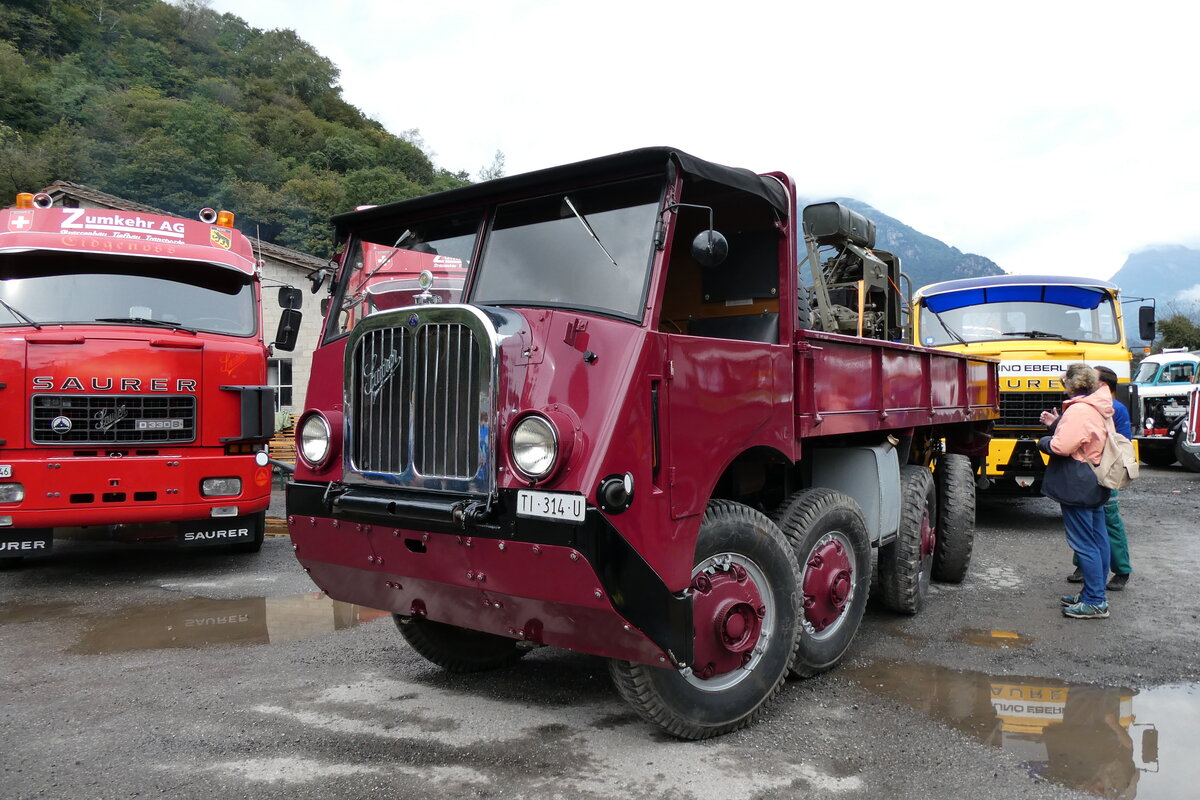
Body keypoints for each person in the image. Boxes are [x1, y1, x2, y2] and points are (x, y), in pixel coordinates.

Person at [1038, 363, 1113, 619]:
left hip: (1078, 480)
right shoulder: (1099, 406)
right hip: (1095, 478)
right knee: (1098, 538)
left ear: (1072, 384)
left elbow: (1062, 446)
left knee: (1084, 542)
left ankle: (1095, 601)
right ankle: (1094, 592)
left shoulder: (1080, 410)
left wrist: (1044, 441)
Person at [1067, 366, 1133, 590]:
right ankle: (1085, 567)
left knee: (1108, 522)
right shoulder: (1098, 406)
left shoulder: (1113, 409)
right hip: (1094, 471)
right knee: (1092, 524)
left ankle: (1121, 570)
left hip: (1102, 472)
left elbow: (1120, 444)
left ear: (1103, 385)